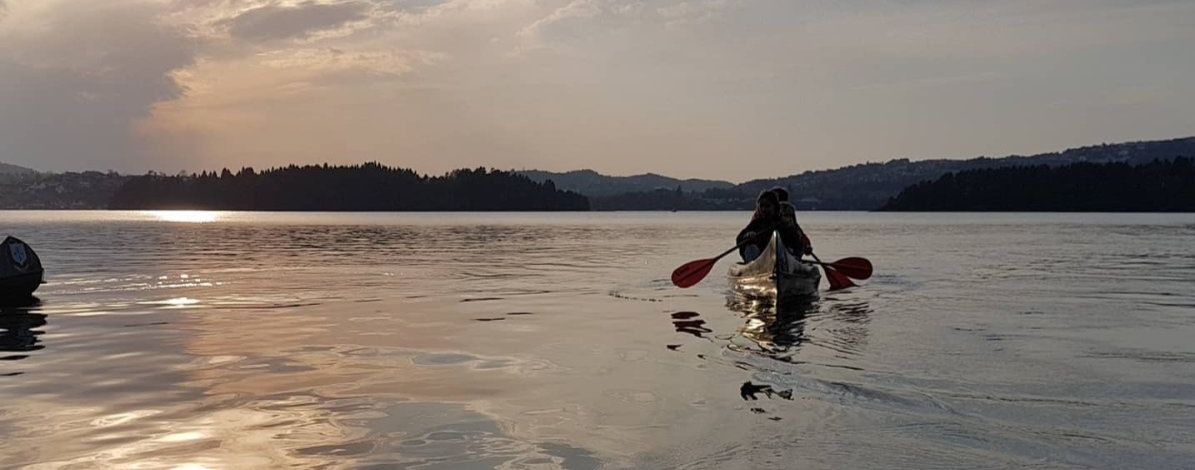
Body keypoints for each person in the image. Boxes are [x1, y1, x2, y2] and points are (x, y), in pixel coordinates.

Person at [737, 191, 781, 262]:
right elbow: (739, 239)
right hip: (759, 260)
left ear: (775, 207)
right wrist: (747, 236)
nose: (763, 209)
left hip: (777, 259)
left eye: (767, 206)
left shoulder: (782, 223)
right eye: (761, 206)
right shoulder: (756, 223)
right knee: (750, 247)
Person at [770, 187, 812, 256]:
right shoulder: (763, 220)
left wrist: (807, 246)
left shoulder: (794, 228)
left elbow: (799, 234)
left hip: (790, 248)